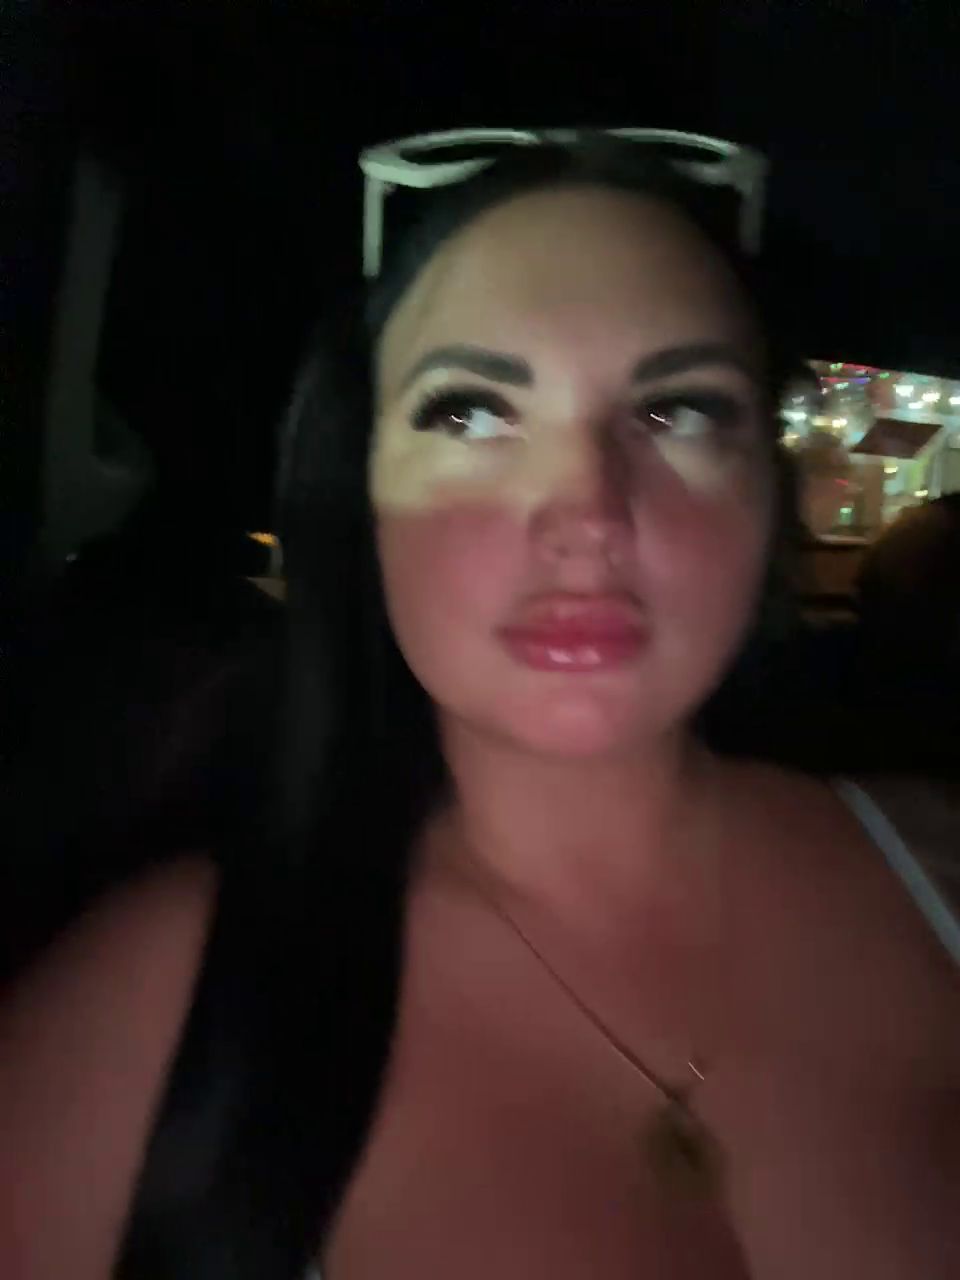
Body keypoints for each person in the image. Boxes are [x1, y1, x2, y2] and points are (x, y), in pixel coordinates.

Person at [2, 134, 958, 1280]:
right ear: (356, 496)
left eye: (680, 412)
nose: (587, 512)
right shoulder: (151, 1008)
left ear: (770, 489)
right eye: (469, 413)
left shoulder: (935, 875)